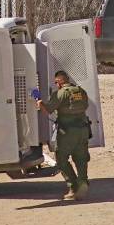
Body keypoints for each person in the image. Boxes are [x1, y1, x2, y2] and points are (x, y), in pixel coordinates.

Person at [37, 70, 91, 201]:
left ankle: (73, 187)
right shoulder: (81, 91)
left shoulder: (60, 94)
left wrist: (40, 103)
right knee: (81, 158)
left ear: (60, 82)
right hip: (83, 130)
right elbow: (86, 106)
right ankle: (83, 181)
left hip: (67, 132)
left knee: (61, 159)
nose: (56, 85)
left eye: (56, 82)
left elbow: (47, 110)